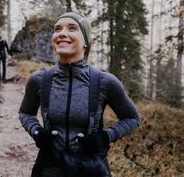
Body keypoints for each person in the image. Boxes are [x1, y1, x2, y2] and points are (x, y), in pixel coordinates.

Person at [18, 12, 141, 176]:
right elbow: (25, 113)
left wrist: (105, 137)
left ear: (86, 42)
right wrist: (37, 132)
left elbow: (132, 118)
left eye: (72, 28)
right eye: (57, 29)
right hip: (49, 169)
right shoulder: (39, 80)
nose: (62, 33)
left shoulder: (105, 82)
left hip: (91, 170)